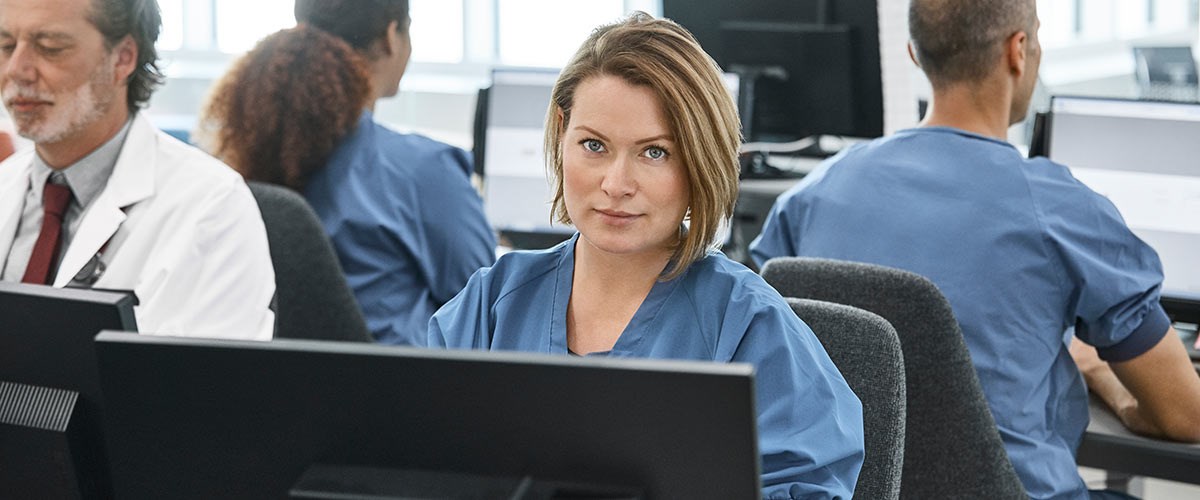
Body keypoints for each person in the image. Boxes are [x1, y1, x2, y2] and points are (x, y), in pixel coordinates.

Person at [750, 0, 1200, 498]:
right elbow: (1186, 416)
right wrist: (1099, 374)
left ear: (915, 56)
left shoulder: (812, 194)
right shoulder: (1060, 208)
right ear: (1019, 49)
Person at [428, 13, 864, 498]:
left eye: (654, 153)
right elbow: (415, 468)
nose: (616, 184)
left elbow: (807, 487)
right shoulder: (490, 305)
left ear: (700, 159)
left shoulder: (747, 326)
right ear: (561, 132)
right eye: (594, 145)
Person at [197, 0, 495, 345]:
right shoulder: (423, 171)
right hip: (405, 391)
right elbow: (488, 304)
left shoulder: (248, 156)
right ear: (391, 36)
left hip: (278, 385)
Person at [0, 0, 274, 339]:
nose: (16, 69)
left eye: (50, 47)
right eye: (5, 45)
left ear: (123, 57)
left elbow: (200, 385)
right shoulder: (6, 185)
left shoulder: (211, 208)